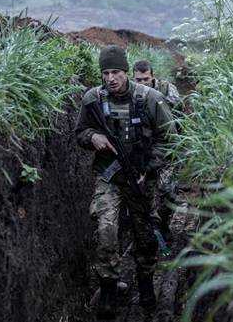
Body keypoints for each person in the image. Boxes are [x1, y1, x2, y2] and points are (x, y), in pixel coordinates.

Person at [75, 46, 175, 320]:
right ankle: (108, 287)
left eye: (116, 72)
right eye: (105, 73)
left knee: (145, 232)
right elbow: (80, 132)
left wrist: (149, 167)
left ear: (126, 71)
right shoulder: (92, 99)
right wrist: (92, 138)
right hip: (109, 175)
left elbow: (171, 140)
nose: (110, 78)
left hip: (142, 177)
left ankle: (145, 282)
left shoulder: (151, 99)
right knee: (106, 229)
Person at [133, 60, 181, 241]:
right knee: (146, 193)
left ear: (153, 77)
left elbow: (178, 115)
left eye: (146, 79)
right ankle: (149, 230)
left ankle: (164, 224)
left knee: (168, 191)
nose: (143, 83)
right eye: (139, 80)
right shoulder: (131, 93)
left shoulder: (166, 89)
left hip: (167, 147)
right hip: (144, 149)